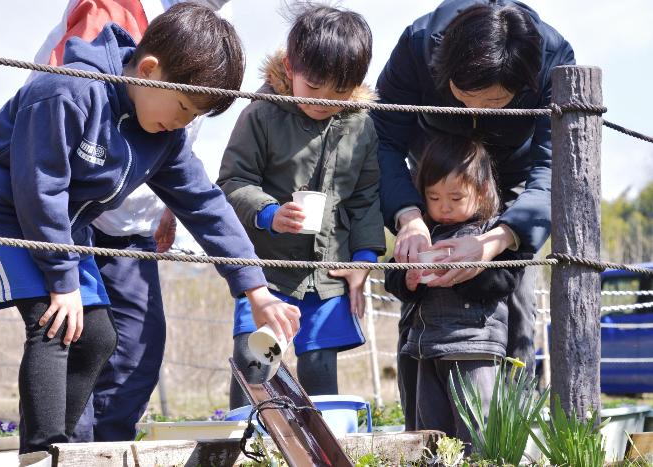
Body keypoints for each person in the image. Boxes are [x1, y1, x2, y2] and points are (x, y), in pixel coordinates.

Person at [0, 4, 300, 453]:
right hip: (1, 209)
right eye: (182, 107)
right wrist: (63, 282)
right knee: (54, 323)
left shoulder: (163, 135)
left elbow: (204, 203)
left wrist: (255, 288)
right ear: (151, 69)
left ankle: (68, 452)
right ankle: (43, 452)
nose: (183, 123)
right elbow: (40, 188)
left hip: (60, 224)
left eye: (195, 117)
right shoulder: (68, 91)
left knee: (97, 337)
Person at [371, 0, 575, 429]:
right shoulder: (417, 46)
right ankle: (420, 430)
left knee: (516, 302)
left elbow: (552, 166)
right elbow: (384, 139)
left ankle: (508, 435)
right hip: (435, 185)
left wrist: (498, 238)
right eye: (466, 98)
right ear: (443, 72)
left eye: (495, 101)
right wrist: (409, 216)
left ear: (524, 84)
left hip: (517, 187)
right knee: (418, 295)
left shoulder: (554, 58)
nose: (477, 113)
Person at [32, 0, 227, 443]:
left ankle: (112, 448)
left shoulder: (211, 28)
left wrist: (170, 205)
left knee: (139, 349)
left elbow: (183, 152)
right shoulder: (116, 7)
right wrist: (63, 272)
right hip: (70, 215)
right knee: (80, 339)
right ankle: (68, 451)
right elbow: (71, 122)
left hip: (132, 221)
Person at [217, 4, 386, 409]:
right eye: (313, 88)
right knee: (256, 364)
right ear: (290, 68)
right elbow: (232, 182)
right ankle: (245, 439)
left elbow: (365, 197)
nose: (324, 103)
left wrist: (363, 259)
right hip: (270, 274)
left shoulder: (362, 124)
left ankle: (318, 447)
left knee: (320, 369)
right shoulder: (260, 114)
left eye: (339, 94)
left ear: (357, 83)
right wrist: (270, 214)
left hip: (327, 277)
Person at [384, 135, 529, 444]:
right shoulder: (423, 232)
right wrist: (408, 280)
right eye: (434, 199)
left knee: (476, 428)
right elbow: (392, 273)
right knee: (431, 432)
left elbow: (505, 281)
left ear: (481, 192)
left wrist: (466, 275)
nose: (444, 208)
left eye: (455, 198)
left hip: (474, 346)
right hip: (426, 349)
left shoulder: (491, 235)